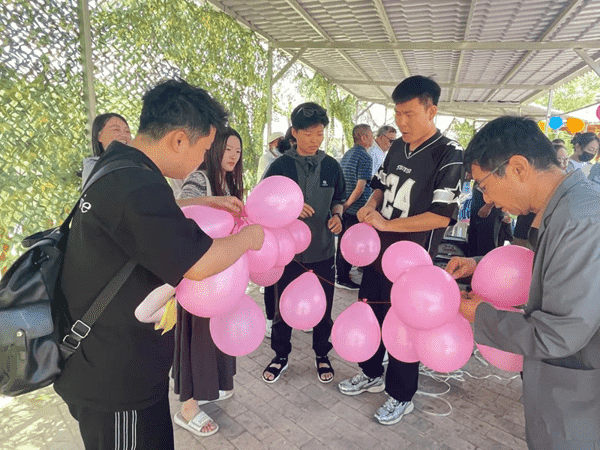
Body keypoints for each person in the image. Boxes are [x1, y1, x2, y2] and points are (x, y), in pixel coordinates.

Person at [53, 79, 265, 450]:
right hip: (116, 382)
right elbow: (198, 264)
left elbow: (140, 219)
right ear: (179, 140)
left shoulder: (118, 167)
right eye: (203, 149)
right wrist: (250, 238)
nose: (202, 160)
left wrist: (206, 202)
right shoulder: (139, 185)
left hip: (114, 366)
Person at [447, 116, 600, 450]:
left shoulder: (581, 219)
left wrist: (480, 315)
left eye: (484, 185)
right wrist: (479, 265)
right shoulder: (565, 207)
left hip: (578, 397)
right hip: (557, 386)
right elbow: (550, 268)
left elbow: (559, 334)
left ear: (517, 167)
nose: (487, 199)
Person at [337, 76, 463, 426]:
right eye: (397, 114)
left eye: (409, 114)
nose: (402, 122)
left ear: (431, 111)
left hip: (412, 265)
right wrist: (370, 206)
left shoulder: (449, 153)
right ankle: (370, 372)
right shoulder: (396, 148)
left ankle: (402, 395)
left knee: (404, 328)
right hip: (376, 253)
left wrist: (387, 225)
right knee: (369, 311)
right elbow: (379, 186)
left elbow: (441, 215)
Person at [261, 102, 345, 384]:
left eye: (319, 133)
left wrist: (337, 216)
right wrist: (290, 210)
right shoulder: (280, 166)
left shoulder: (331, 166)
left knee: (324, 306)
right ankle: (280, 355)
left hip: (323, 251)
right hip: (288, 254)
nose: (314, 140)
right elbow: (265, 204)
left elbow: (338, 200)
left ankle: (322, 353)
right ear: (294, 133)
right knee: (281, 308)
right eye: (308, 134)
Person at [171, 127, 244, 437]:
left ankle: (215, 385)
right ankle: (187, 408)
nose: (233, 156)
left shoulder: (227, 181)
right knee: (196, 340)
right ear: (214, 149)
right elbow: (178, 207)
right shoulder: (200, 178)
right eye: (228, 149)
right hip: (199, 279)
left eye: (238, 151)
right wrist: (214, 201)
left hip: (222, 276)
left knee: (218, 336)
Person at [335, 124, 373, 290]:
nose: (372, 139)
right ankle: (343, 278)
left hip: (345, 207)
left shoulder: (347, 154)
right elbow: (360, 187)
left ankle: (341, 275)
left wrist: (343, 206)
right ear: (363, 137)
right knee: (351, 244)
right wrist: (347, 205)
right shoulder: (365, 157)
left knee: (343, 242)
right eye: (371, 136)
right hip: (355, 208)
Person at [82, 113, 132, 185]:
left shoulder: (140, 163)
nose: (124, 135)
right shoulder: (93, 168)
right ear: (99, 136)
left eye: (127, 131)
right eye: (116, 130)